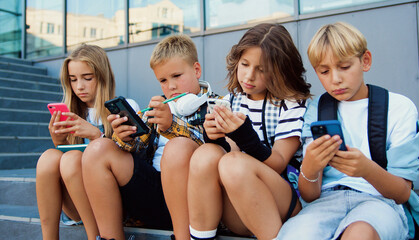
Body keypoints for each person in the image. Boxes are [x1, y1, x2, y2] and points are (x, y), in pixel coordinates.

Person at [277, 22, 419, 240]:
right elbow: (309, 195)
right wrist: (311, 168)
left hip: (380, 202)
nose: (335, 79)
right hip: (326, 202)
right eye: (324, 71)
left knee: (360, 234)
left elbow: (402, 193)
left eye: (344, 67)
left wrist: (366, 170)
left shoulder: (398, 108)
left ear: (365, 61)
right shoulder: (316, 110)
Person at [81, 34, 216, 240]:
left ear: (196, 70)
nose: (170, 86)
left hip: (195, 200)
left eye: (177, 76)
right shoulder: (157, 108)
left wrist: (173, 125)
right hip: (154, 193)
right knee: (98, 149)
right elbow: (135, 149)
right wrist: (123, 138)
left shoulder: (217, 105)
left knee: (178, 147)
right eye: (163, 80)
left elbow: (216, 151)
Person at [187, 23, 311, 240]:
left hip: (283, 203)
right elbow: (226, 152)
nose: (249, 76)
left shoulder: (292, 104)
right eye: (244, 64)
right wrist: (214, 137)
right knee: (205, 154)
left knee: (233, 162)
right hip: (239, 205)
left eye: (261, 69)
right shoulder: (231, 101)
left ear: (280, 69)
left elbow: (280, 161)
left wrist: (245, 137)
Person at [35, 44, 138, 240]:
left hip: (111, 201)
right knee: (49, 157)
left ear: (102, 76)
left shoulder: (124, 107)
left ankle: (94, 237)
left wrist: (95, 135)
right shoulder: (71, 111)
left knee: (72, 158)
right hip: (77, 202)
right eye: (73, 80)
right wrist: (59, 142)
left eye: (87, 78)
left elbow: (134, 160)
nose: (79, 86)